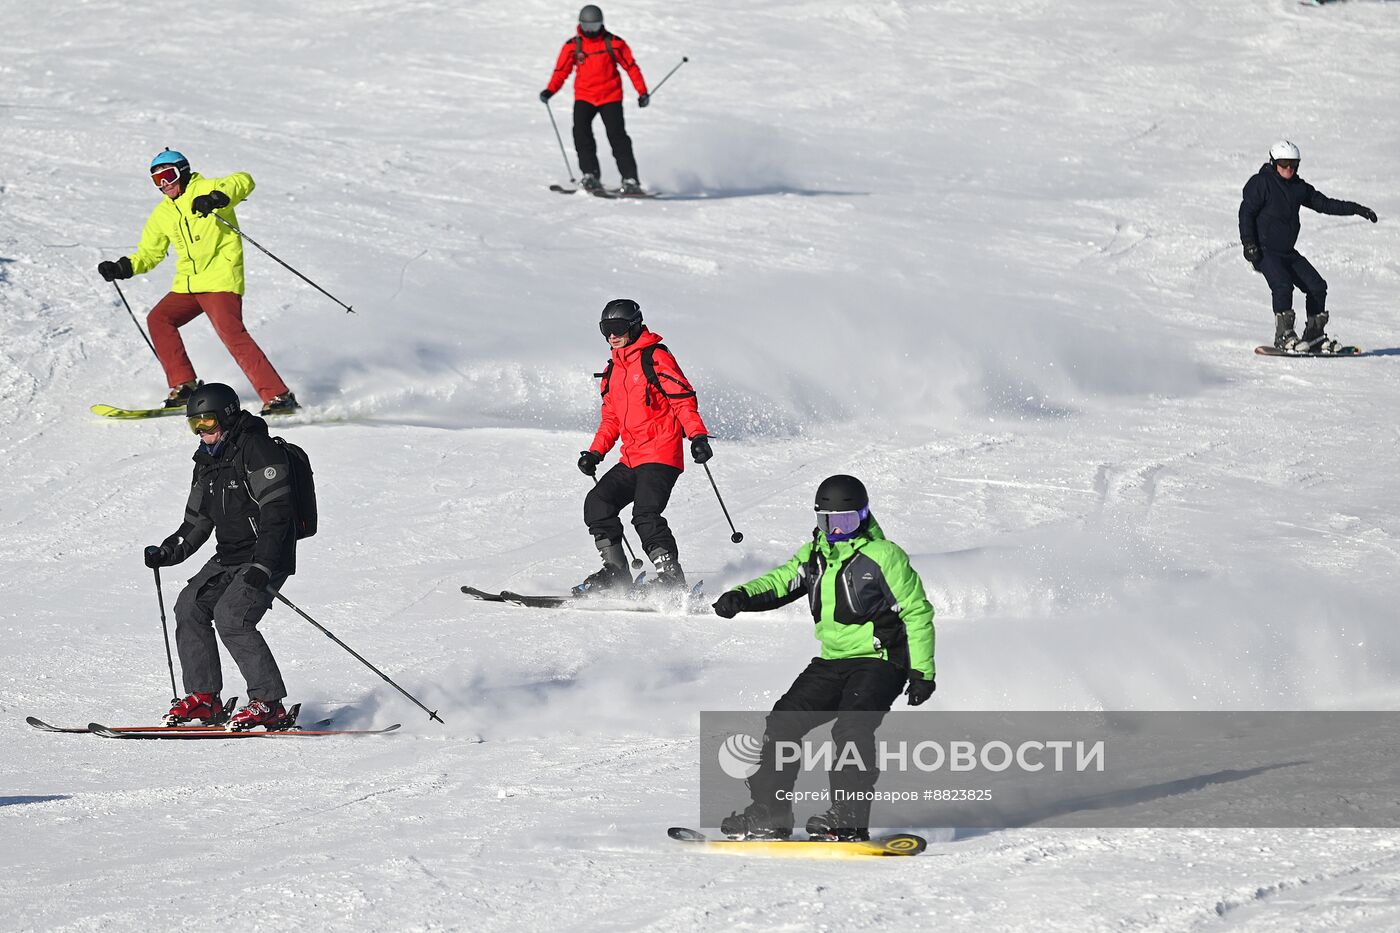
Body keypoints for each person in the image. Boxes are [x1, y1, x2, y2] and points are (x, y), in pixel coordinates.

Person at [711, 475, 936, 841]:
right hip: (833, 661)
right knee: (784, 721)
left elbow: (917, 612)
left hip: (880, 661)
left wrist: (922, 671)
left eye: (846, 521)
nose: (836, 530)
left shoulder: (884, 556)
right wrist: (742, 596)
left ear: (863, 517)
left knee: (851, 726)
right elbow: (783, 580)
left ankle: (848, 816)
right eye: (828, 522)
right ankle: (772, 812)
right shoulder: (815, 554)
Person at [143, 383, 297, 730]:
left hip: (265, 556)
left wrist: (263, 564)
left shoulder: (257, 450)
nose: (202, 432)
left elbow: (278, 513)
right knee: (189, 606)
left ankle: (269, 702)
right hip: (229, 556)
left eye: (208, 423)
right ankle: (204, 698)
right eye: (194, 425)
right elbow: (197, 520)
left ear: (226, 418)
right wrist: (169, 550)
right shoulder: (207, 461)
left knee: (232, 617)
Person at [97, 149, 299, 414]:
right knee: (159, 318)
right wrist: (123, 267)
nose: (164, 184)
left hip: (219, 278)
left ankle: (278, 396)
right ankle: (185, 386)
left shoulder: (206, 188)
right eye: (157, 180)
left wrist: (216, 198)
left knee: (231, 334)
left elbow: (244, 180)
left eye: (168, 176)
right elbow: (150, 253)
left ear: (183, 171)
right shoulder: (162, 214)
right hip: (188, 285)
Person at [578, 298, 711, 591]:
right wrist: (595, 452)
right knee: (598, 502)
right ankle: (615, 572)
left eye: (618, 327)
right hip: (632, 457)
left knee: (645, 514)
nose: (612, 335)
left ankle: (670, 577)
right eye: (605, 328)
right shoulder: (613, 370)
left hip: (661, 453)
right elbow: (611, 418)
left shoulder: (655, 357)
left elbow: (682, 399)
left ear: (634, 326)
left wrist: (697, 436)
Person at [1238, 140, 1379, 352]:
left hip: (1287, 252)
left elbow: (1325, 204)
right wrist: (1249, 243)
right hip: (1265, 251)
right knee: (1283, 285)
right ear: (1274, 162)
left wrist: (1356, 209)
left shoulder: (1298, 187)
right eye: (1284, 163)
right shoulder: (1261, 183)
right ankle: (1284, 336)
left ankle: (1315, 336)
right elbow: (1246, 213)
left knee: (1317, 286)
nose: (1289, 169)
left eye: (1294, 164)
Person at [539, 5, 650, 195]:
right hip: (585, 96)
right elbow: (561, 71)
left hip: (610, 96)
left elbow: (631, 67)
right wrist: (550, 90)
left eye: (595, 26)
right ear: (580, 24)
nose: (591, 31)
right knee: (581, 134)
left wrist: (642, 92)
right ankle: (590, 175)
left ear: (602, 24)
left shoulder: (614, 43)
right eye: (586, 26)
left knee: (617, 137)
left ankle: (630, 179)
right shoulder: (573, 46)